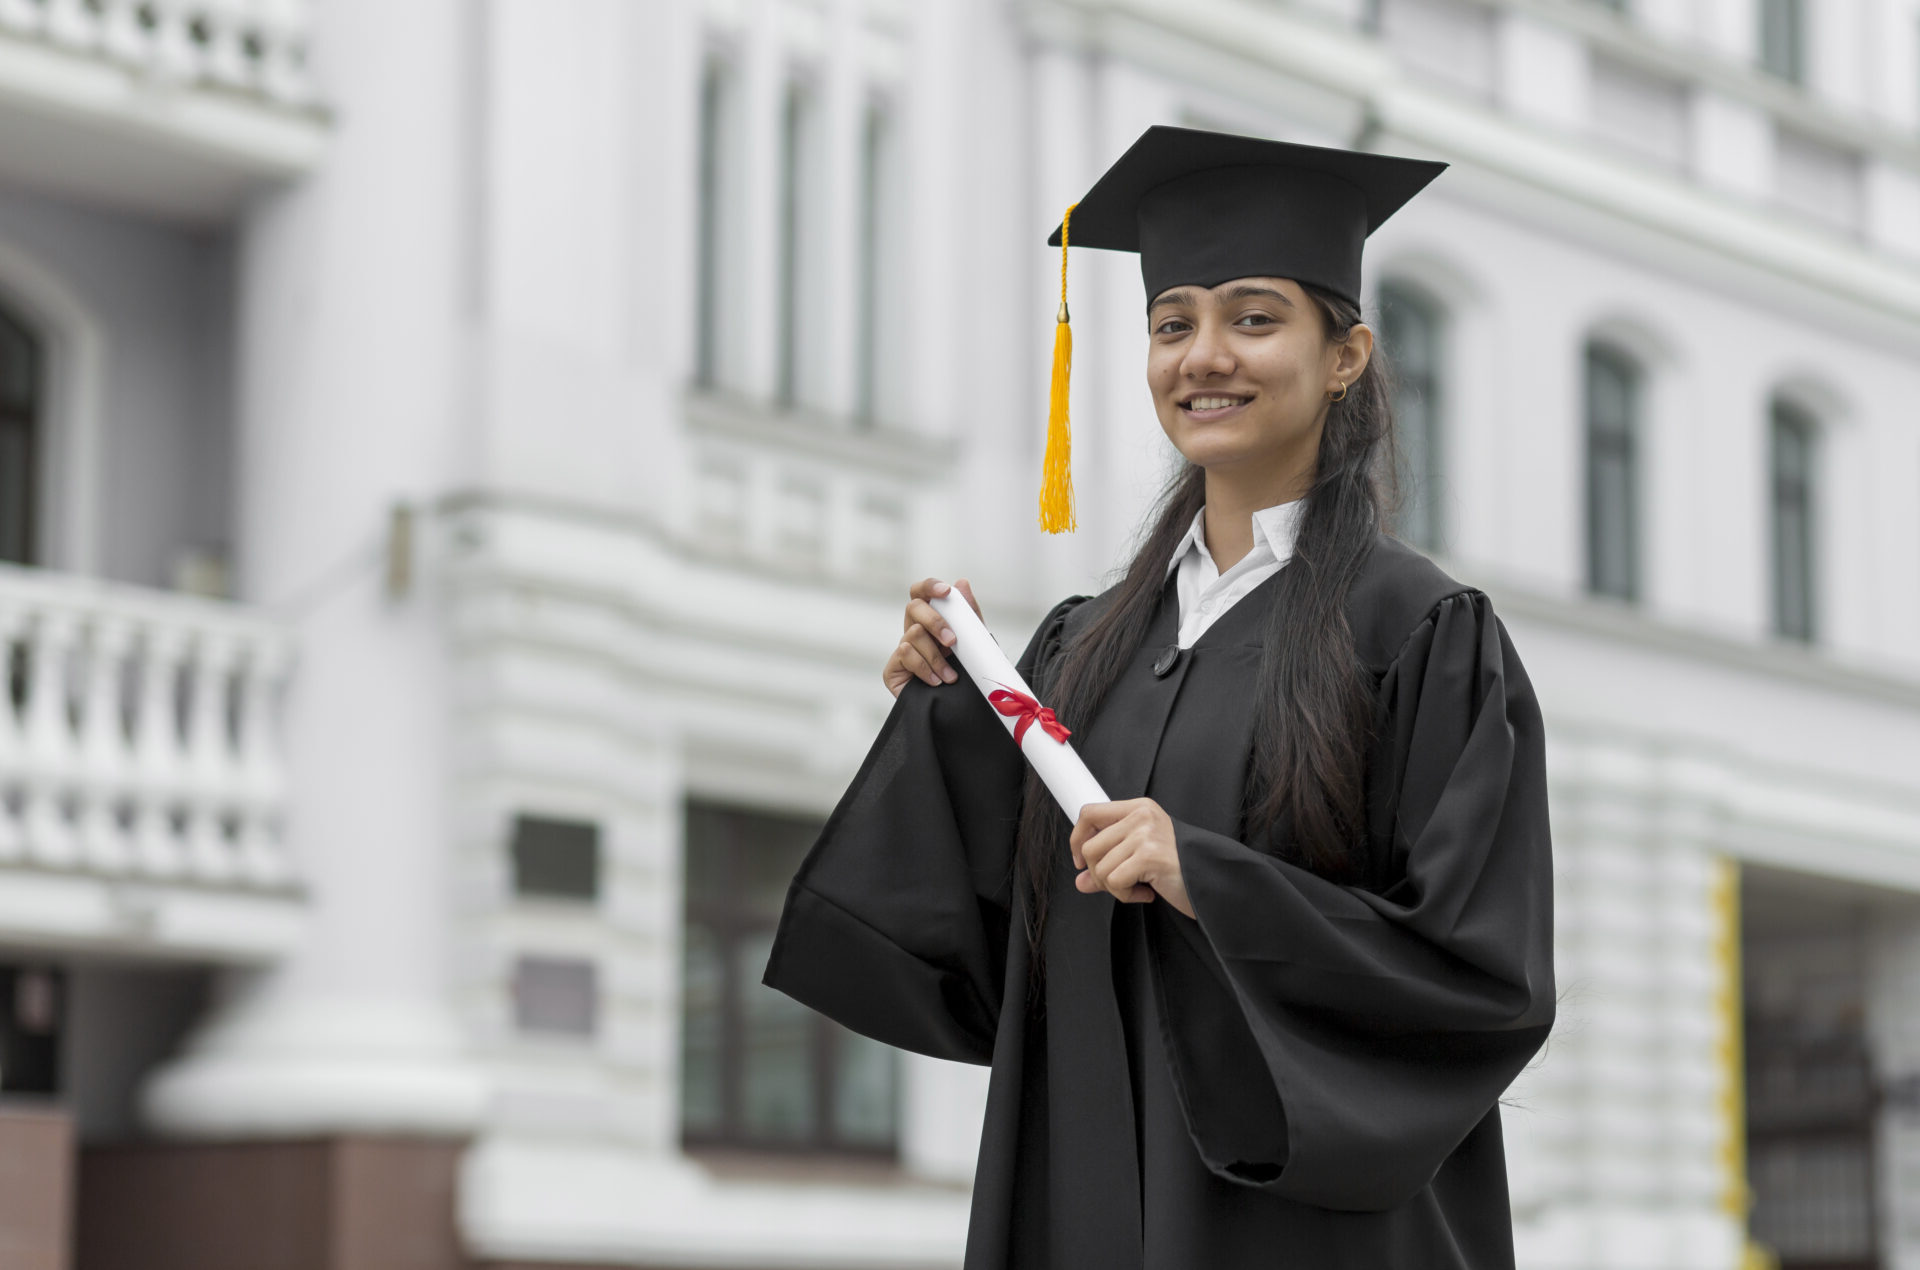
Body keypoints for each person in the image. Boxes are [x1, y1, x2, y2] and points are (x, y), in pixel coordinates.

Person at [762, 125, 1555, 1269]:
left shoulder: (1420, 634)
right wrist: (951, 699)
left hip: (1304, 1228)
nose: (1204, 356)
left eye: (1254, 317)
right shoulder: (1084, 646)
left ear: (1347, 355)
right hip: (1085, 1196)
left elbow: (1481, 979)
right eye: (1172, 323)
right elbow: (976, 948)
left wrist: (1210, 880)